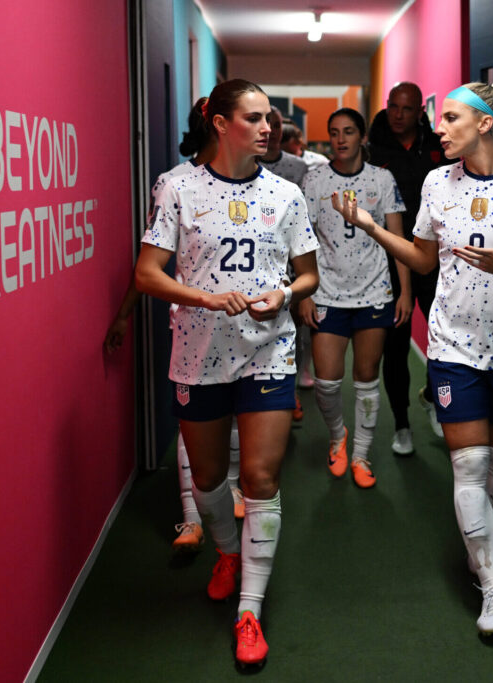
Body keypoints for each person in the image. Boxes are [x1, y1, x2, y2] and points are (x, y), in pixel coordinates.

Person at [332, 82, 493, 637]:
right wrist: (369, 226)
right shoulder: (438, 182)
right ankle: (492, 584)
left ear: (485, 123)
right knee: (468, 467)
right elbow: (422, 256)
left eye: (452, 118)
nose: (440, 127)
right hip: (452, 345)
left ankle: (481, 538)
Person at [136, 79, 319, 667]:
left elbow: (309, 275)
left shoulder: (286, 195)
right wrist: (207, 298)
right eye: (255, 118)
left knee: (261, 480)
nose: (269, 128)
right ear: (220, 123)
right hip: (198, 353)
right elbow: (147, 273)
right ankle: (225, 551)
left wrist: (284, 292)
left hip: (269, 350)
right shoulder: (177, 187)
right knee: (211, 480)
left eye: (269, 118)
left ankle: (250, 611)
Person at [103, 98, 246, 552]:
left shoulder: (259, 184)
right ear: (215, 127)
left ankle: (234, 489)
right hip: (193, 325)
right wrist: (125, 312)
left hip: (249, 325)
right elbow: (151, 260)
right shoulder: (174, 183)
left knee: (242, 418)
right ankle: (191, 518)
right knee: (196, 424)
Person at [299, 108, 406, 488]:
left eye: (348, 132)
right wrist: (304, 293)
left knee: (366, 378)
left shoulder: (381, 179)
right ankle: (337, 437)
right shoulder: (314, 181)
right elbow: (301, 242)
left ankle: (360, 455)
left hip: (375, 292)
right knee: (327, 381)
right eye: (333, 133)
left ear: (362, 137)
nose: (340, 139)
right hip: (326, 293)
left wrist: (404, 292)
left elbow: (398, 243)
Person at [367, 82, 450, 454]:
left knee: (443, 336)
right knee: (396, 347)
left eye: (406, 109)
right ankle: (401, 424)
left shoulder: (436, 148)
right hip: (389, 260)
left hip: (433, 257)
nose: (397, 115)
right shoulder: (373, 150)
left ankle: (432, 395)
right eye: (393, 107)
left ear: (420, 111)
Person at [260, 108, 314, 405]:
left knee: (295, 325)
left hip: (293, 258)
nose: (273, 129)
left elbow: (304, 222)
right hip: (262, 260)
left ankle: (293, 380)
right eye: (269, 123)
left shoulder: (298, 168)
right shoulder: (248, 163)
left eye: (278, 124)